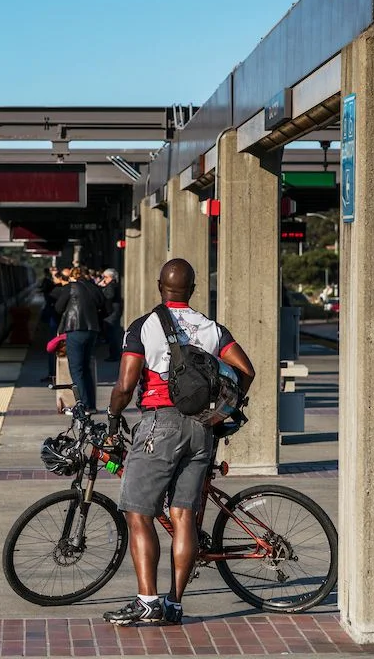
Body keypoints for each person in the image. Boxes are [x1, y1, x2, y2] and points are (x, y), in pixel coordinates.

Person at [102, 258, 255, 626]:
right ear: (193, 289)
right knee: (183, 516)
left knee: (138, 512)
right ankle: (174, 604)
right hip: (201, 428)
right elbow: (246, 371)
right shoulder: (211, 328)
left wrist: (112, 416)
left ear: (160, 286)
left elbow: (125, 385)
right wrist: (221, 413)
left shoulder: (145, 326)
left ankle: (147, 601)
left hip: (160, 425)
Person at [54, 266, 109, 408]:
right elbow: (105, 307)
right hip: (92, 331)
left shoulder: (70, 288)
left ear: (72, 276)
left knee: (77, 370)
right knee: (86, 369)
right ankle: (91, 405)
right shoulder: (93, 288)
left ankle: (83, 406)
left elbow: (58, 308)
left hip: (75, 329)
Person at [99, 268, 123, 362]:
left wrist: (102, 288)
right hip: (114, 311)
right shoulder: (113, 285)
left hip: (112, 312)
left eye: (105, 277)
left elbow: (109, 295)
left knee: (112, 333)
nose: (104, 279)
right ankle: (114, 353)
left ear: (111, 277)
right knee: (112, 332)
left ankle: (115, 354)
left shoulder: (111, 285)